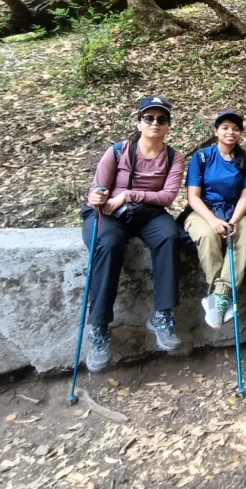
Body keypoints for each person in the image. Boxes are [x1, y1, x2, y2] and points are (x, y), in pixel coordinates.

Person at [80, 96, 185, 372]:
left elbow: (167, 197)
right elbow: (97, 190)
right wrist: (97, 197)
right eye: (149, 118)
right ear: (139, 122)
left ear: (168, 126)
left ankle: (163, 315)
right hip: (111, 215)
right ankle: (100, 327)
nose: (155, 123)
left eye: (161, 119)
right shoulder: (117, 151)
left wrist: (128, 194)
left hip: (148, 213)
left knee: (170, 236)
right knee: (108, 242)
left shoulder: (174, 157)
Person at [183, 111, 246, 329]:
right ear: (216, 131)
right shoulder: (202, 157)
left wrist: (233, 220)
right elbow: (193, 196)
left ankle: (219, 296)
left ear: (241, 134)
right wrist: (213, 220)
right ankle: (221, 296)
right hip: (203, 210)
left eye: (235, 128)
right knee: (207, 235)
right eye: (225, 127)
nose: (230, 132)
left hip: (235, 211)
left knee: (245, 231)